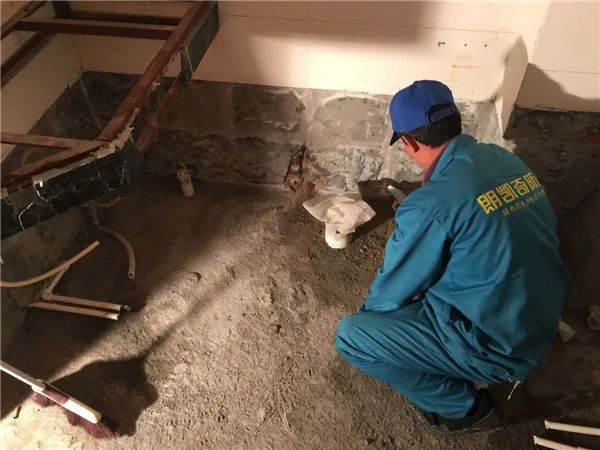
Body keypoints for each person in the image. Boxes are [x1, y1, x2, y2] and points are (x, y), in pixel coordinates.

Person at [335, 80, 570, 434]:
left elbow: (392, 291)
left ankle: (466, 409)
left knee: (354, 337)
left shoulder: (429, 206)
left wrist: (377, 326)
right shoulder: (504, 159)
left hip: (501, 346)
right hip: (542, 315)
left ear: (410, 142)